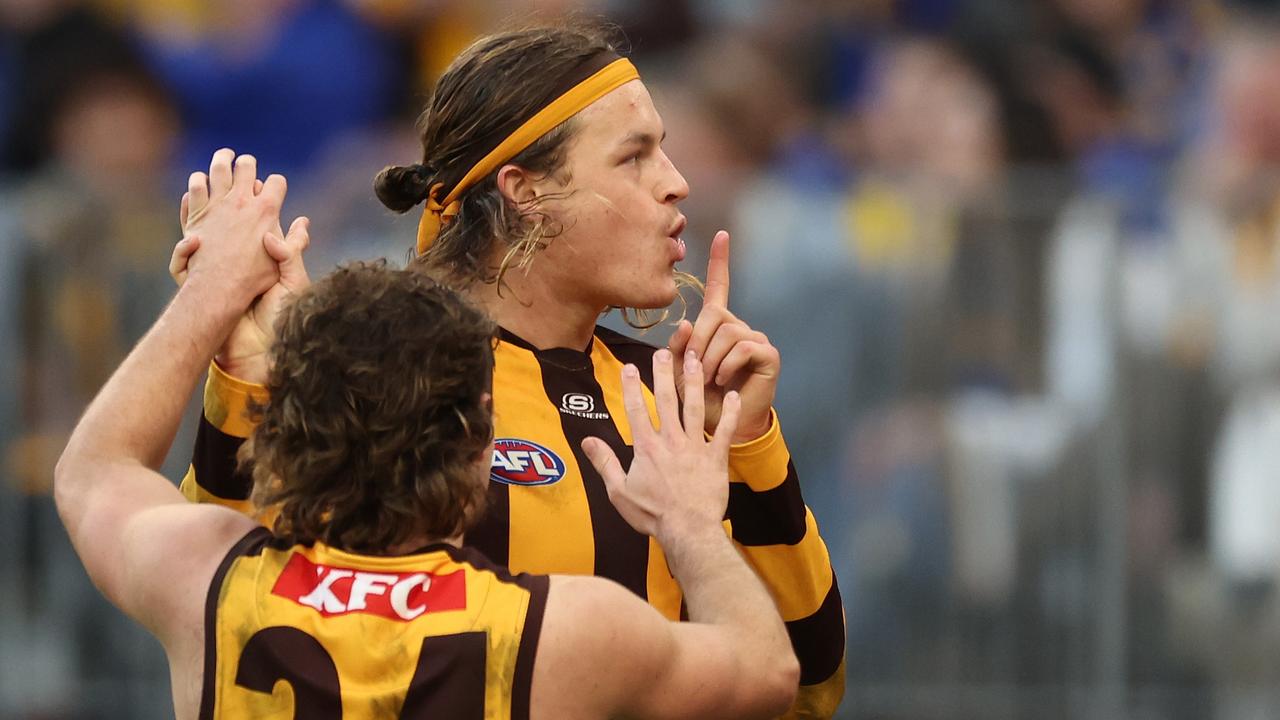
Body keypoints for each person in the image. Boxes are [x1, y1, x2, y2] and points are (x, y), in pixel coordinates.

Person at [174, 20, 846, 717]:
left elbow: (806, 689)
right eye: (634, 156)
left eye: (666, 153)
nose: (675, 184)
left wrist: (748, 442)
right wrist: (244, 378)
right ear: (525, 190)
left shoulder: (678, 394)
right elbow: (224, 608)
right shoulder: (380, 377)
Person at [55, 153, 800, 718]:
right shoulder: (564, 633)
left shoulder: (204, 580)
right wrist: (692, 524)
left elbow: (92, 470)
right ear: (481, 442)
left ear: (285, 430)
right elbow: (772, 673)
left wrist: (214, 293)